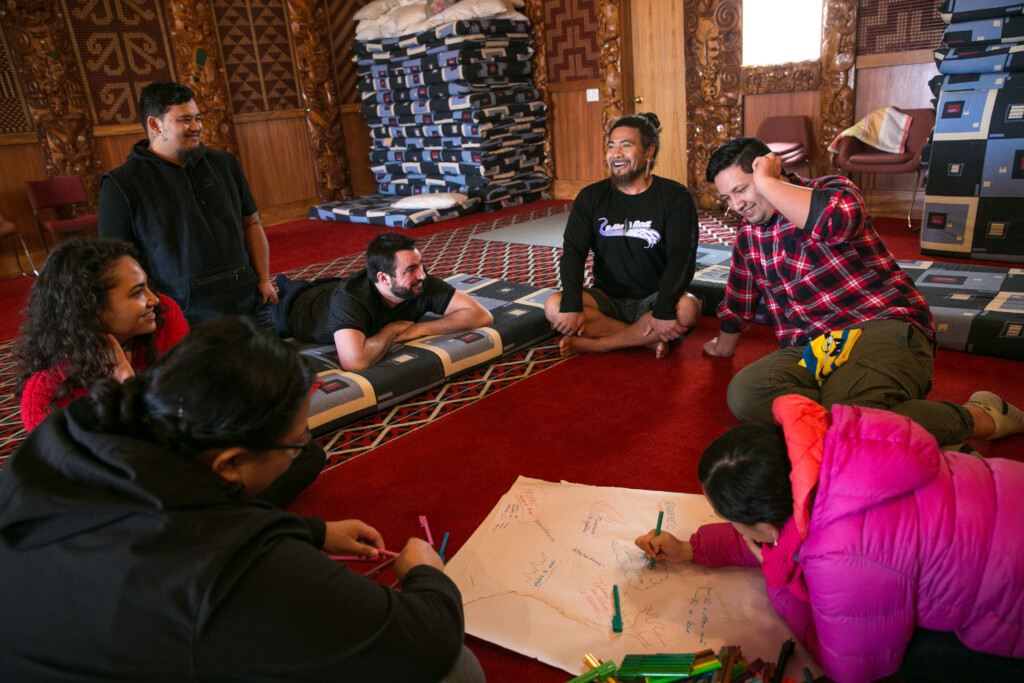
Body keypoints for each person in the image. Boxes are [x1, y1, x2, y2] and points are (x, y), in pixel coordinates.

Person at [0, 317, 483, 682]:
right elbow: (427, 640)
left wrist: (311, 530)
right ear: (231, 462)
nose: (303, 450)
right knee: (459, 671)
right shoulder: (234, 565)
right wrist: (425, 575)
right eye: (295, 443)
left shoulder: (73, 435)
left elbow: (196, 507)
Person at [635, 394, 1024, 683]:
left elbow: (853, 667)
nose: (736, 529)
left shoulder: (841, 556)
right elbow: (783, 530)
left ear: (766, 527)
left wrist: (780, 584)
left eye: (732, 521)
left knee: (915, 657)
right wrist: (691, 548)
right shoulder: (837, 446)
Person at [703, 136, 1024, 447]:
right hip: (815, 348)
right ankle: (889, 429)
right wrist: (723, 347)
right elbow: (740, 296)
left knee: (844, 420)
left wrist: (768, 184)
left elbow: (836, 223)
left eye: (741, 189)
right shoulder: (748, 233)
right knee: (746, 394)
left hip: (878, 325)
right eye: (726, 198)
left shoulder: (831, 189)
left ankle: (978, 417)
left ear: (768, 169)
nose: (736, 205)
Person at [98, 79, 278, 325]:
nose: (196, 127)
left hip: (249, 303)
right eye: (185, 120)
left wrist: (264, 280)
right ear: (154, 124)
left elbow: (251, 222)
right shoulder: (121, 184)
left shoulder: (224, 164)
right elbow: (118, 261)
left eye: (198, 118)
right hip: (183, 318)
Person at [543, 112, 701, 359]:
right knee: (554, 305)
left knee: (689, 308)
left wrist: (663, 308)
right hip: (606, 298)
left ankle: (601, 344)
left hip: (654, 296)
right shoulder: (591, 197)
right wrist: (571, 305)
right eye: (611, 146)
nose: (616, 154)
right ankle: (645, 340)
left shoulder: (675, 196)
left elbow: (682, 259)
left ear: (649, 152)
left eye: (626, 146)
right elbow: (573, 253)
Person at [14, 238, 189, 431]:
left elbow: (194, 402)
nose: (154, 299)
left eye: (147, 287)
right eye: (137, 293)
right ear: (92, 307)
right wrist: (127, 395)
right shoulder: (44, 398)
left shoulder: (163, 316)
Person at [272, 232, 493, 371]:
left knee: (317, 285)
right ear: (384, 278)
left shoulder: (421, 282)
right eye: (411, 269)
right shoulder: (350, 300)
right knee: (269, 307)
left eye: (421, 265)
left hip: (331, 287)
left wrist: (419, 329)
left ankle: (288, 283)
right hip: (294, 310)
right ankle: (285, 285)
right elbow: (354, 362)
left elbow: (482, 315)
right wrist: (391, 330)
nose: (422, 275)